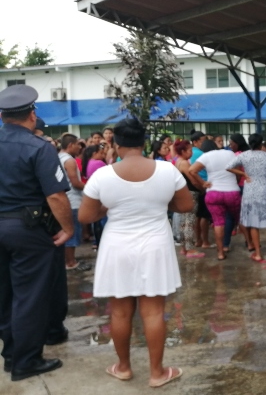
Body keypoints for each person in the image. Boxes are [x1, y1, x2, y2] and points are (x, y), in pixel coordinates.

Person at [78, 117, 193, 388]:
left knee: (119, 312)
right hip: (155, 244)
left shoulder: (102, 175)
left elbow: (85, 216)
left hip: (117, 245)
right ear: (143, 142)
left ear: (115, 143)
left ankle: (124, 367)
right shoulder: (168, 170)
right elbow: (186, 205)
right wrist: (157, 205)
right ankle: (157, 373)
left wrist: (108, 208)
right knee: (153, 312)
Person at [0, 84, 73, 380]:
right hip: (27, 229)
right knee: (30, 295)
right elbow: (56, 196)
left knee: (4, 294)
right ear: (32, 115)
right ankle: (26, 361)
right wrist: (68, 228)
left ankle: (11, 354)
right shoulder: (39, 147)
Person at [227, 133, 266, 262]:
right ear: (261, 143)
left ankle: (258, 253)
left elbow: (228, 167)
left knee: (253, 222)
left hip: (249, 191)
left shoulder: (243, 155)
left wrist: (243, 173)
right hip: (265, 191)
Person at [189, 140, 241, 260]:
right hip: (232, 192)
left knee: (218, 222)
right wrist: (236, 182)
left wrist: (203, 183)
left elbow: (192, 170)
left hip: (213, 193)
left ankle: (220, 253)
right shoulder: (229, 153)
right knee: (237, 217)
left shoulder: (205, 156)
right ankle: (250, 244)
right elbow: (237, 171)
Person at [58, 134, 91, 271]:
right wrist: (91, 186)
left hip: (63, 200)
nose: (79, 147)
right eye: (77, 144)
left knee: (65, 230)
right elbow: (75, 183)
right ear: (70, 145)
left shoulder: (58, 157)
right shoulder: (69, 161)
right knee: (72, 231)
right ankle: (71, 262)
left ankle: (68, 260)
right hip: (72, 200)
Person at [173, 140, 205, 258]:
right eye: (190, 150)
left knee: (183, 222)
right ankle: (190, 249)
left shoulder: (177, 162)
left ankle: (184, 247)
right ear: (183, 151)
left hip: (182, 193)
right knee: (189, 222)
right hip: (190, 193)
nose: (192, 152)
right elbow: (193, 180)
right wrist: (202, 188)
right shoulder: (185, 163)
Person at [189, 130, 213, 249]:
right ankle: (205, 241)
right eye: (202, 141)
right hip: (203, 185)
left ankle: (198, 240)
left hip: (194, 186)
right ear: (195, 142)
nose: (204, 144)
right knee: (204, 216)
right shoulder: (201, 154)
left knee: (197, 216)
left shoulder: (190, 153)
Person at [82, 144, 108, 250]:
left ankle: (97, 242)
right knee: (103, 221)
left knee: (96, 222)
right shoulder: (99, 163)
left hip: (94, 194)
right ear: (94, 153)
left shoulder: (88, 163)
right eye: (101, 153)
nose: (103, 155)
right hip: (102, 193)